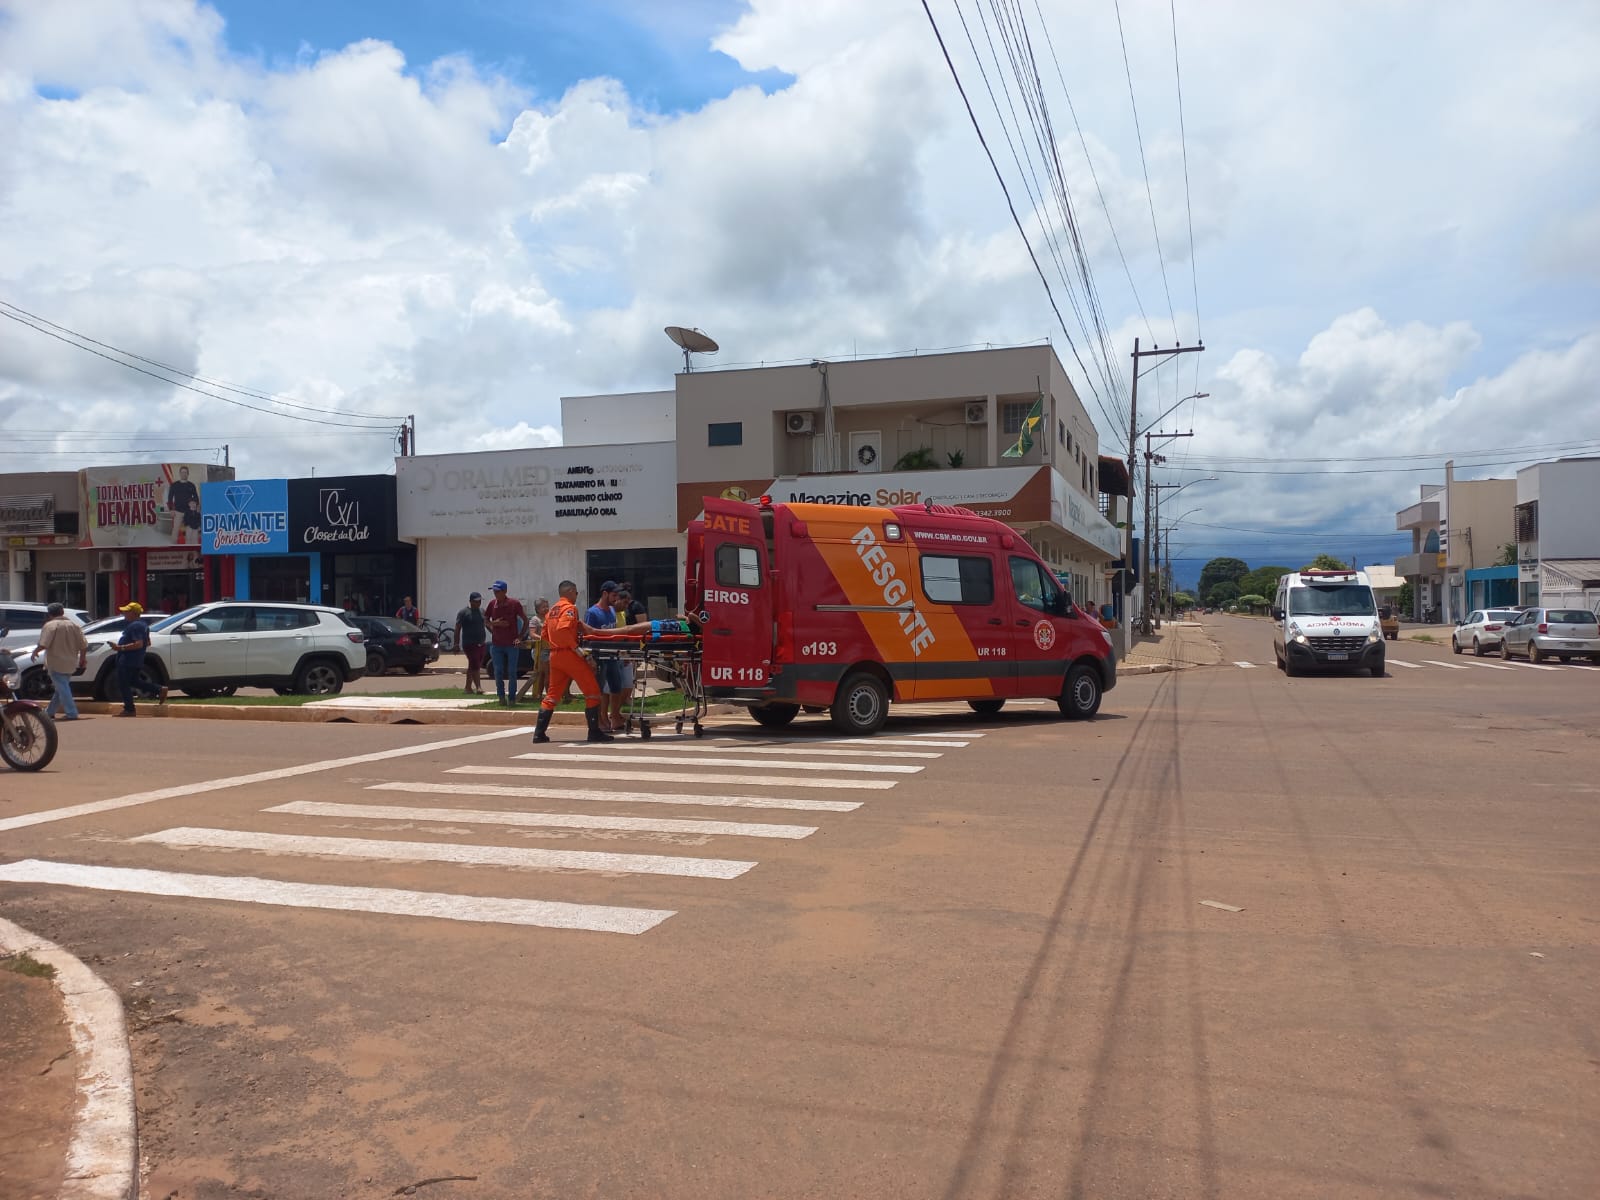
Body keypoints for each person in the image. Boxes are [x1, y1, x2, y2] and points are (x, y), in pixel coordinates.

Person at [533, 580, 612, 744]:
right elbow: (563, 630)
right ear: (570, 591)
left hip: (555, 656)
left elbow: (545, 635)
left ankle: (539, 734)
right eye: (576, 593)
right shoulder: (570, 608)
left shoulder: (552, 611)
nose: (576, 596)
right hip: (569, 655)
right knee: (593, 692)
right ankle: (594, 732)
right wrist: (577, 649)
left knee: (552, 696)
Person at [32, 602, 89, 721]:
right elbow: (83, 645)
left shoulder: (50, 625)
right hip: (70, 662)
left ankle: (72, 713)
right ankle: (49, 712)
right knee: (61, 688)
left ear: (49, 614)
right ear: (62, 612)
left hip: (55, 662)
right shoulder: (74, 625)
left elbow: (44, 643)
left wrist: (35, 651)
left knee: (62, 688)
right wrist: (83, 659)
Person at [586, 581, 626, 733]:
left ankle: (614, 716)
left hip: (612, 655)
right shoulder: (592, 613)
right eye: (614, 595)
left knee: (616, 686)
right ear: (605, 594)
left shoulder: (612, 611)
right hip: (599, 656)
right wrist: (590, 658)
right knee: (599, 689)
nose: (616, 599)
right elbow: (588, 636)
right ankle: (600, 719)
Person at [483, 580, 527, 706]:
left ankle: (512, 698)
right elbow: (485, 620)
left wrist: (520, 637)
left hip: (511, 644)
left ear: (505, 591)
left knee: (512, 671)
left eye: (498, 591)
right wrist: (494, 625)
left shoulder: (514, 604)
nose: (496, 594)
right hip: (497, 644)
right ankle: (501, 696)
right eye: (494, 592)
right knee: (498, 671)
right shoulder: (492, 604)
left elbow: (525, 620)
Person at [111, 601, 152, 717]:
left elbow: (139, 644)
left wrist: (120, 647)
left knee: (123, 684)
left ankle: (129, 709)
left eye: (126, 612)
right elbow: (148, 642)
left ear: (133, 613)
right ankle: (159, 689)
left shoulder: (135, 626)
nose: (124, 614)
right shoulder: (143, 625)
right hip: (136, 660)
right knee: (134, 682)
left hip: (128, 660)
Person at [516, 597, 551, 703]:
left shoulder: (549, 618)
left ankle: (541, 695)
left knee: (544, 674)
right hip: (540, 650)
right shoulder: (535, 620)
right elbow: (532, 634)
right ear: (537, 609)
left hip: (550, 648)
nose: (546, 608)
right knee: (546, 673)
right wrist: (543, 638)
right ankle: (546, 695)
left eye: (547, 606)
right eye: (543, 607)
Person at [454, 591, 488, 695]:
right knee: (475, 664)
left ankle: (468, 688)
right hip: (469, 643)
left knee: (473, 665)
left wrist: (494, 633)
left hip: (481, 642)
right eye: (476, 601)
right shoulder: (463, 612)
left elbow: (487, 624)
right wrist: (456, 644)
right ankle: (478, 687)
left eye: (480, 601)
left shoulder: (482, 611)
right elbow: (457, 628)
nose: (479, 603)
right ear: (471, 601)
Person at [166, 466, 199, 545]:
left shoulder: (191, 485)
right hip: (178, 512)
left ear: (188, 474)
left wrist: (195, 506)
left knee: (189, 532)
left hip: (189, 513)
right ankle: (172, 547)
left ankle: (188, 547)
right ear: (180, 474)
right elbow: (170, 498)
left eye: (185, 472)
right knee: (175, 531)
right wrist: (171, 509)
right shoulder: (174, 485)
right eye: (182, 472)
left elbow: (196, 498)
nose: (184, 474)